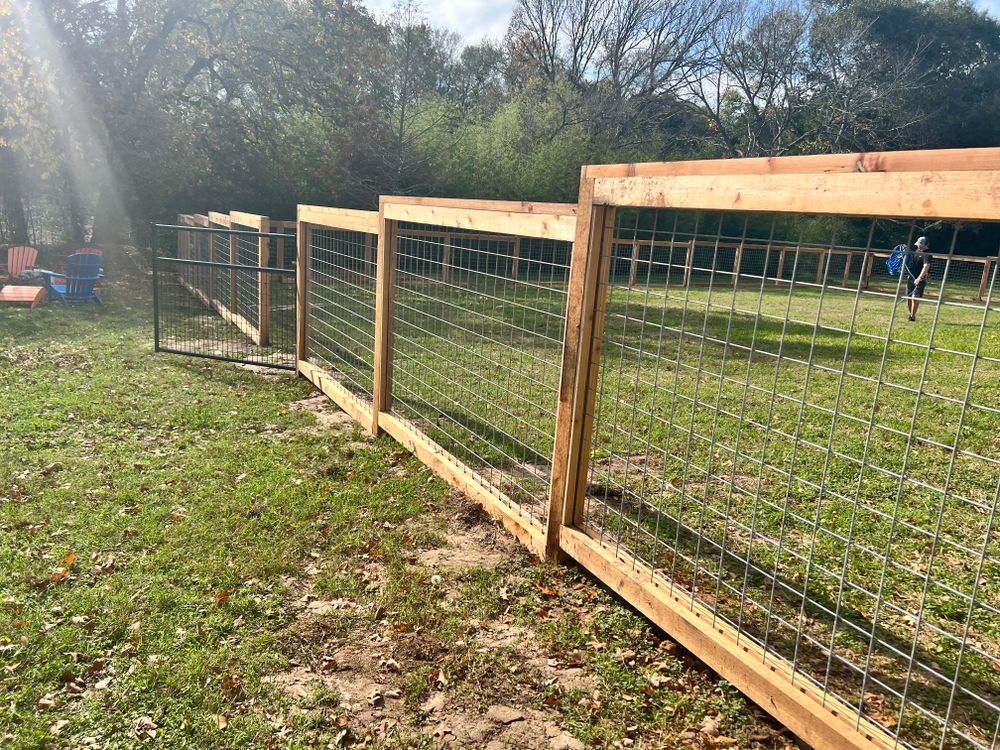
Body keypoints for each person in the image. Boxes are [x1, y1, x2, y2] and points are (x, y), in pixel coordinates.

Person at [904, 236, 932, 321]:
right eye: (918, 244)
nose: (919, 246)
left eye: (921, 245)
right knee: (909, 297)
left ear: (926, 245)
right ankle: (911, 314)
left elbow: (926, 266)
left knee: (915, 296)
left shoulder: (927, 254)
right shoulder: (916, 252)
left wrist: (919, 278)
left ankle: (913, 316)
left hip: (920, 279)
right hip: (911, 277)